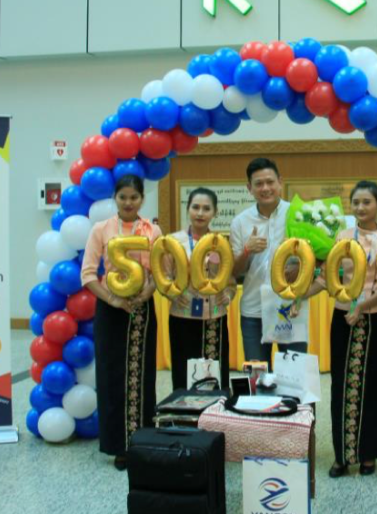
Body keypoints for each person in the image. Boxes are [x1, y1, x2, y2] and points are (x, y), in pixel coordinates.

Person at [307, 181, 377, 478]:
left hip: (375, 320)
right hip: (344, 319)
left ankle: (369, 454)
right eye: (355, 202)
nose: (360, 207)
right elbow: (327, 278)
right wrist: (297, 296)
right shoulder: (343, 237)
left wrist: (363, 306)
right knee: (342, 386)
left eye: (366, 201)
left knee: (372, 386)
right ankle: (342, 455)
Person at [80, 174, 160, 470]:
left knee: (142, 374)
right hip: (111, 308)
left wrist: (146, 293)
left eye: (134, 197)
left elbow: (159, 272)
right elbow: (88, 274)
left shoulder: (152, 230)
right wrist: (112, 299)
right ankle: (118, 445)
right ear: (115, 198)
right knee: (112, 374)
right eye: (123, 197)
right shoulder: (101, 230)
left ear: (142, 199)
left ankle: (142, 440)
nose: (128, 202)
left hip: (142, 308)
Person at [230, 158, 307, 368]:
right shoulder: (240, 222)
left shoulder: (298, 214)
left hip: (289, 307)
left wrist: (300, 266)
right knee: (257, 377)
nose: (265, 188)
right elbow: (234, 272)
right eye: (258, 184)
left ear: (280, 182)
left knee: (295, 375)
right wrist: (247, 251)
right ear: (249, 188)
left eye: (270, 182)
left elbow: (317, 258)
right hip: (253, 310)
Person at [165, 187, 236, 391]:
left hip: (214, 315)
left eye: (206, 208)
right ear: (188, 209)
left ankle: (214, 420)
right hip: (182, 315)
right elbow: (165, 277)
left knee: (214, 371)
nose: (200, 213)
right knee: (183, 369)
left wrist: (228, 295)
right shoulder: (173, 242)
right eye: (195, 207)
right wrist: (172, 295)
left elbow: (230, 282)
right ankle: (183, 420)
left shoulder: (221, 243)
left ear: (215, 212)